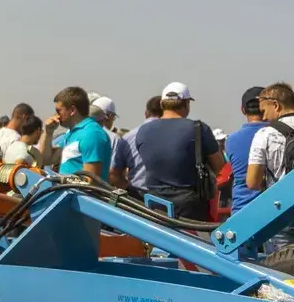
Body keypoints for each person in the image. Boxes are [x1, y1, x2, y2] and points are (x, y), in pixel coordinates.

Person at [133, 82, 223, 221]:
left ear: (163, 104)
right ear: (186, 104)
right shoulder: (198, 128)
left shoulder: (143, 131)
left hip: (154, 204)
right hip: (190, 206)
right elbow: (218, 165)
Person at [246, 83, 294, 250]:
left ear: (276, 105)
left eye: (264, 111)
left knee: (282, 267)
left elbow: (252, 183)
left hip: (282, 212)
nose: (264, 118)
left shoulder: (265, 134)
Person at [41, 86, 112, 180]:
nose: (56, 116)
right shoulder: (71, 134)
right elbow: (47, 160)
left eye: (59, 111)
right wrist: (48, 133)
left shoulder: (92, 134)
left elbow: (91, 181)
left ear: (72, 110)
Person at [110, 96, 164, 198]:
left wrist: (128, 190)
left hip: (136, 198)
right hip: (167, 200)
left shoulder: (128, 137)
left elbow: (113, 175)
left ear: (146, 113)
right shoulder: (175, 136)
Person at [226, 87, 267, 215]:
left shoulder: (231, 140)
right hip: (273, 210)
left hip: (241, 210)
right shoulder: (279, 135)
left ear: (243, 110)